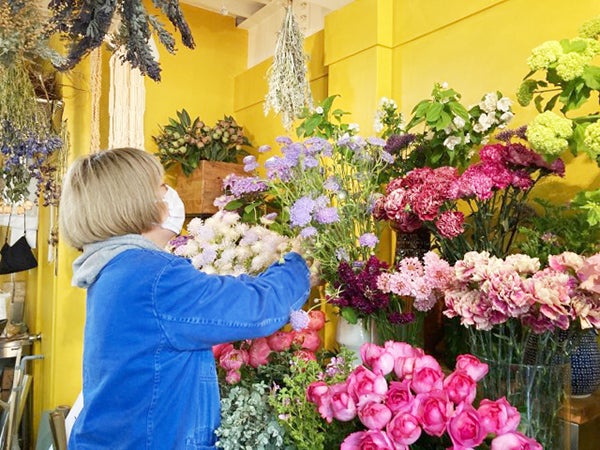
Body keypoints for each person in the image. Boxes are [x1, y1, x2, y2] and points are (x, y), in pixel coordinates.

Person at [59, 147, 313, 449]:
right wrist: (299, 264)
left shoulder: (115, 268)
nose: (168, 193)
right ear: (135, 201)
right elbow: (259, 308)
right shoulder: (153, 276)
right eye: (160, 186)